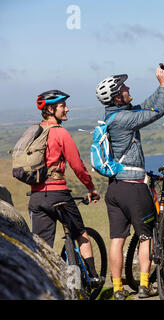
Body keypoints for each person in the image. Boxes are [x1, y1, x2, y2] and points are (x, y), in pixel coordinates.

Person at [95, 66, 164, 300]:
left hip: (115, 189)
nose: (129, 89)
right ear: (117, 97)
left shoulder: (115, 117)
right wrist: (162, 87)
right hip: (134, 188)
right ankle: (144, 286)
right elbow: (156, 111)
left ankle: (118, 289)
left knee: (117, 239)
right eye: (124, 88)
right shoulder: (125, 120)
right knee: (146, 236)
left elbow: (147, 105)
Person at [28, 90, 104, 287]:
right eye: (62, 106)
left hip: (36, 197)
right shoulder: (60, 133)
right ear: (51, 109)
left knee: (41, 247)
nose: (67, 108)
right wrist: (91, 188)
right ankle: (93, 276)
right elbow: (77, 165)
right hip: (58, 194)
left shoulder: (33, 133)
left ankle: (40, 286)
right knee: (81, 234)